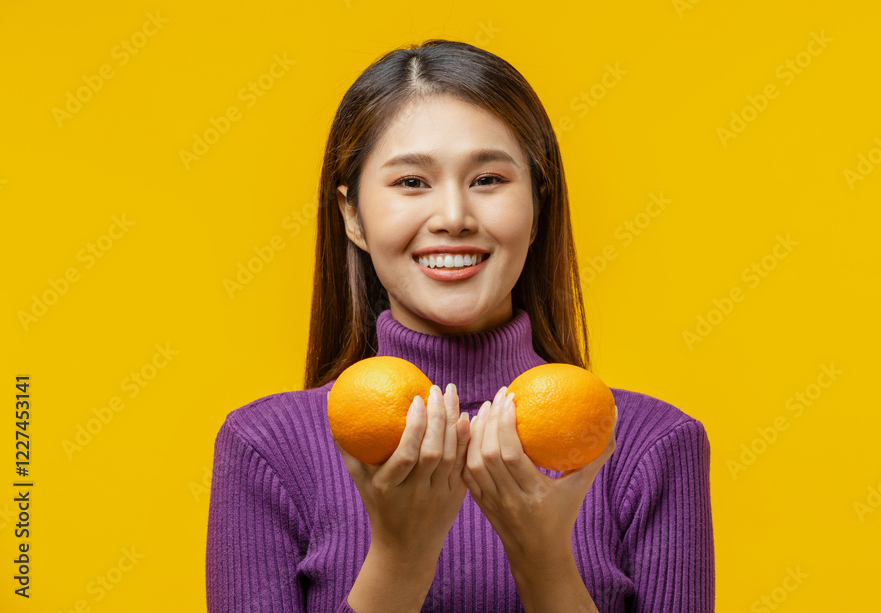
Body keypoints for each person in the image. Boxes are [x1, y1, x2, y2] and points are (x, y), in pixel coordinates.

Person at [205, 39, 715, 612]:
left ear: (538, 206)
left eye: (488, 179)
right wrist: (402, 557)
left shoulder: (651, 445)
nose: (453, 218)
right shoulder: (268, 449)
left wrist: (544, 560)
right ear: (353, 217)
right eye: (411, 183)